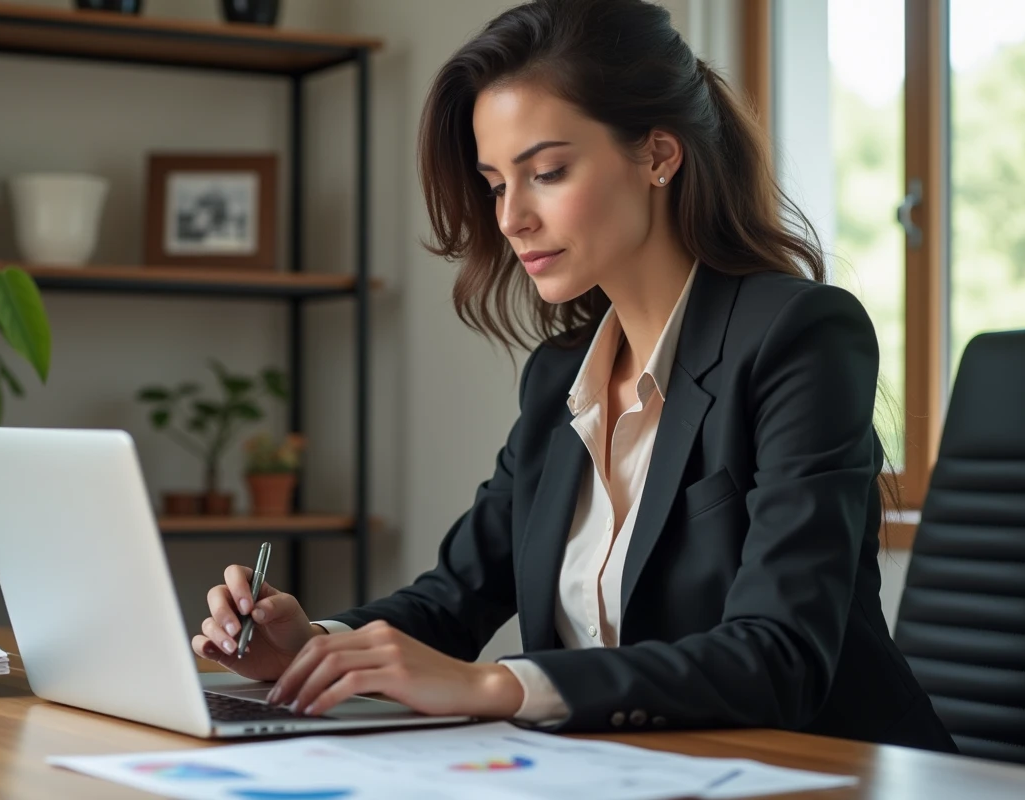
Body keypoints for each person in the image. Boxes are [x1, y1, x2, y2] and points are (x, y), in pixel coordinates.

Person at [192, 0, 957, 751]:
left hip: (818, 772)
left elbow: (778, 656)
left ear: (659, 155)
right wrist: (313, 642)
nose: (510, 217)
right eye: (496, 183)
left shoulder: (798, 336)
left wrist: (498, 684)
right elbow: (453, 598)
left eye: (547, 172)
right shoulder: (560, 377)